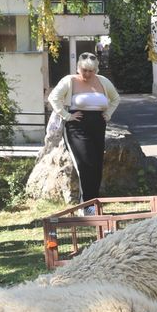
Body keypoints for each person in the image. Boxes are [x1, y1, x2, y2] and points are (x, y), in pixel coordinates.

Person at [46, 51, 120, 208]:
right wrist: (66, 115)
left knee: (97, 165)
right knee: (85, 164)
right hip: (77, 127)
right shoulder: (69, 80)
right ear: (78, 68)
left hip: (98, 125)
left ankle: (94, 203)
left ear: (96, 70)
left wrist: (108, 114)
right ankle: (87, 206)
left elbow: (115, 99)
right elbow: (53, 98)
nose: (87, 74)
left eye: (91, 71)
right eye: (84, 70)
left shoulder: (103, 81)